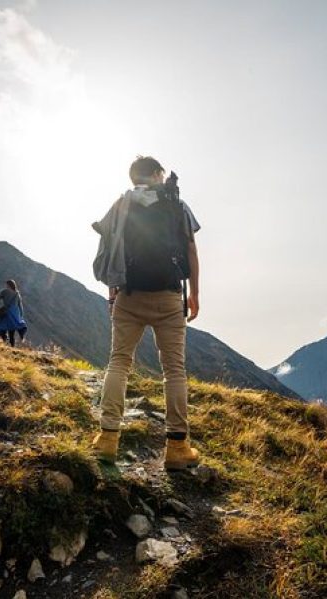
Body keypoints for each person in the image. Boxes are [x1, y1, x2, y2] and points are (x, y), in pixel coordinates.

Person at [91, 156, 201, 470]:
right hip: (168, 298)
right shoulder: (177, 205)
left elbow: (110, 251)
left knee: (119, 361)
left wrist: (112, 290)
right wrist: (194, 293)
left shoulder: (120, 206)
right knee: (174, 370)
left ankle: (108, 439)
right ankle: (177, 448)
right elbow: (191, 250)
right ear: (156, 175)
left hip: (129, 295)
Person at [0, 279, 28, 347]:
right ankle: (13, 344)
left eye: (6, 285)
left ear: (8, 285)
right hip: (15, 313)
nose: (6, 286)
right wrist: (21, 316)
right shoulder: (17, 294)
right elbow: (20, 306)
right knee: (11, 331)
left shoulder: (5, 291)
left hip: (8, 313)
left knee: (1, 327)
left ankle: (5, 339)